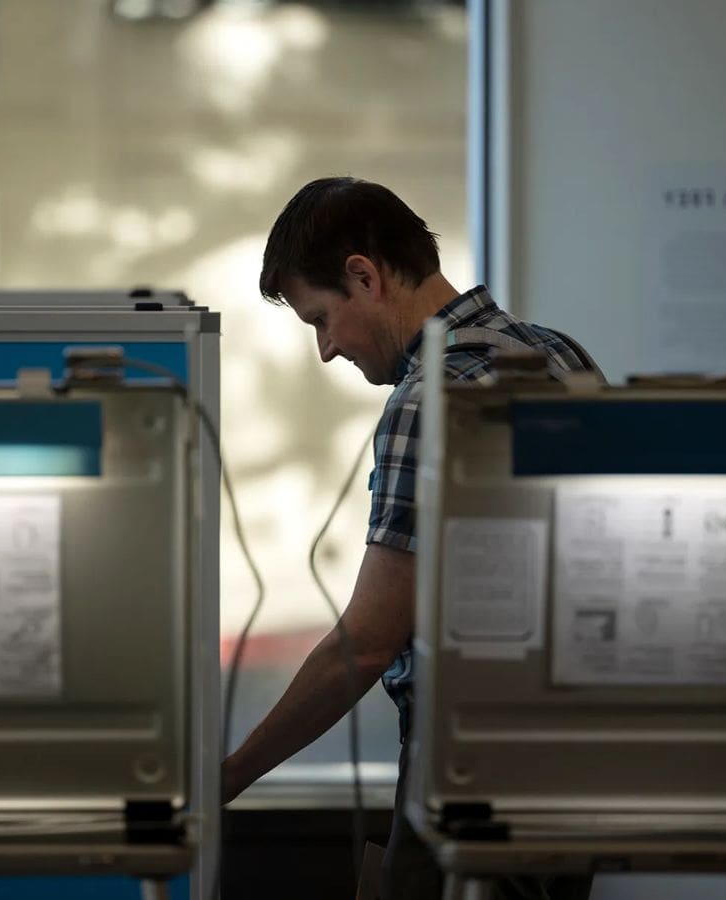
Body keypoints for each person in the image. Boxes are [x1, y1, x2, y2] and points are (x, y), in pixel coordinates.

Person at [220, 176, 598, 900]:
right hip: (575, 772)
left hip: (466, 768)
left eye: (321, 320)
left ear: (365, 276)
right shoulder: (564, 358)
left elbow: (364, 643)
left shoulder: (429, 399)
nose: (327, 350)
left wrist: (230, 775)